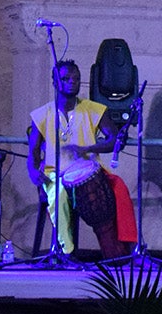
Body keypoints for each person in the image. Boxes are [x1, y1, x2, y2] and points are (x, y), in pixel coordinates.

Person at [27, 59, 136, 259]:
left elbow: (114, 140)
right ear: (55, 82)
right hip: (55, 175)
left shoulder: (93, 109)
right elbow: (33, 153)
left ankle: (126, 249)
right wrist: (34, 172)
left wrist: (87, 148)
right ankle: (66, 252)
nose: (72, 82)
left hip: (90, 172)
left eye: (76, 79)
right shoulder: (42, 115)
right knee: (58, 194)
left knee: (119, 187)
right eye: (66, 78)